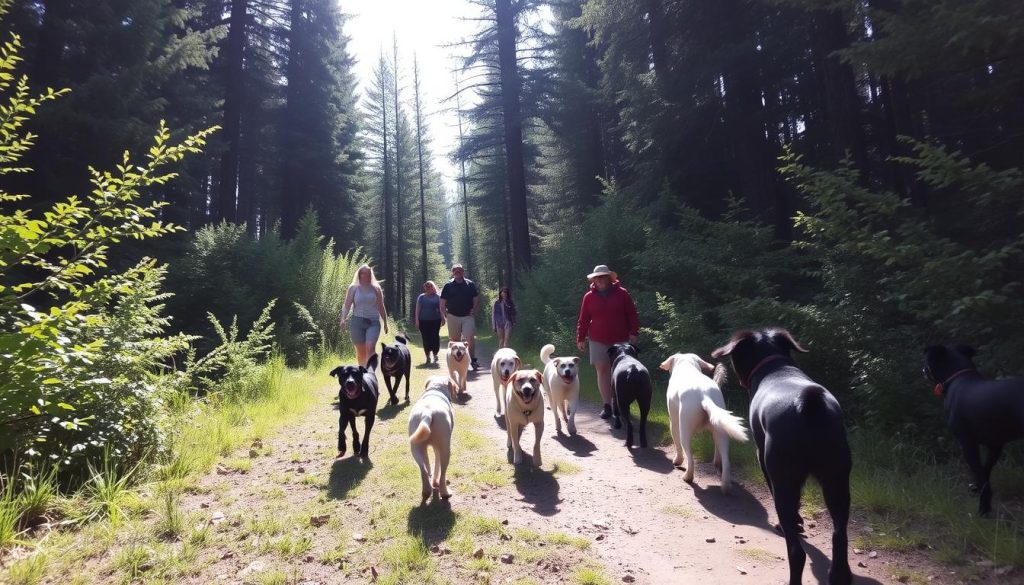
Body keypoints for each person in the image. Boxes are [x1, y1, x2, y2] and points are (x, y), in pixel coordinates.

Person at [575, 264, 639, 420]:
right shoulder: (588, 297)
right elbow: (583, 319)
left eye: (603, 277)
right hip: (597, 339)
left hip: (620, 339)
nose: (600, 280)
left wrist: (633, 332)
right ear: (594, 280)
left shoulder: (622, 294)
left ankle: (621, 404)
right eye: (597, 277)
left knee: (622, 373)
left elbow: (632, 314)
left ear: (609, 278)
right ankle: (607, 406)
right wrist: (581, 337)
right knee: (602, 371)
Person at [340, 264, 389, 367]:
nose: (366, 275)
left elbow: (381, 306)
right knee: (361, 351)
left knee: (370, 348)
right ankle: (362, 373)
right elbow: (347, 305)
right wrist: (343, 318)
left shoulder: (376, 288)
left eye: (368, 273)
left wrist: (385, 322)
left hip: (373, 322)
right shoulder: (353, 288)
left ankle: (371, 373)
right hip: (357, 322)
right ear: (359, 274)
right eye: (363, 273)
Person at [440, 263, 480, 370]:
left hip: (468, 316)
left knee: (469, 338)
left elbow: (476, 298)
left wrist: (474, 309)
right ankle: (456, 361)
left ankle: (472, 360)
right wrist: (443, 315)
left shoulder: (470, 284)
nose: (457, 271)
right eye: (455, 270)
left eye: (459, 270)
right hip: (452, 316)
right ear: (452, 272)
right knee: (454, 340)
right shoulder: (448, 286)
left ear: (463, 272)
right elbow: (442, 302)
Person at [415, 280, 445, 365]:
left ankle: (435, 354)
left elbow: (441, 308)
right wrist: (417, 321)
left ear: (433, 287)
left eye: (430, 286)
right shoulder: (421, 297)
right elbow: (417, 310)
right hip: (423, 321)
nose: (428, 288)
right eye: (426, 286)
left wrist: (443, 317)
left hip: (435, 320)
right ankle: (427, 356)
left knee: (435, 337)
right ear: (424, 288)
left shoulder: (437, 297)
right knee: (426, 338)